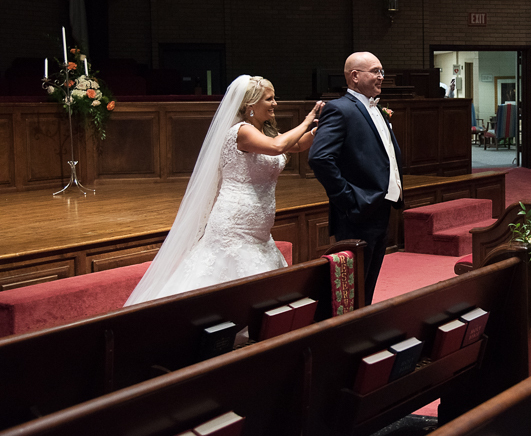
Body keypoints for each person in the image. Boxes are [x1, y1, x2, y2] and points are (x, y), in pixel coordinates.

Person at [125, 75, 323, 306]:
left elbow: (296, 145)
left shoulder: (263, 131)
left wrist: (319, 130)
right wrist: (307, 119)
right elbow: (277, 147)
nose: (275, 104)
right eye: (270, 99)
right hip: (235, 222)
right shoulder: (241, 132)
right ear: (251, 105)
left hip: (259, 224)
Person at [308, 52, 403, 305]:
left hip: (381, 206)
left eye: (382, 71)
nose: (381, 77)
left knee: (367, 285)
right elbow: (319, 158)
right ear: (355, 76)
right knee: (351, 289)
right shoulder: (340, 109)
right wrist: (347, 198)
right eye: (375, 71)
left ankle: (363, 330)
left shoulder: (378, 109)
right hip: (358, 210)